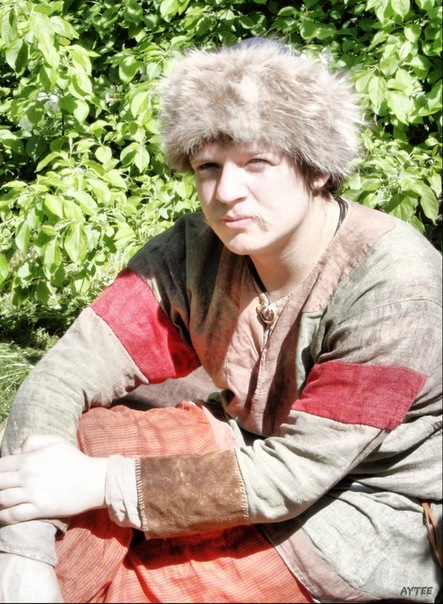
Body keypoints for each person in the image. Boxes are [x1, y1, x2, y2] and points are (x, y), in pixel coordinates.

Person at [0, 36, 441, 604]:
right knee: (74, 444)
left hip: (364, 513)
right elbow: (61, 378)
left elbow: (293, 476)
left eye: (257, 162)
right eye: (209, 166)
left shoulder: (396, 288)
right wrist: (23, 552)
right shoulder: (192, 254)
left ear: (316, 169)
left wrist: (100, 484)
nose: (226, 192)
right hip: (245, 443)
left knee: (132, 584)